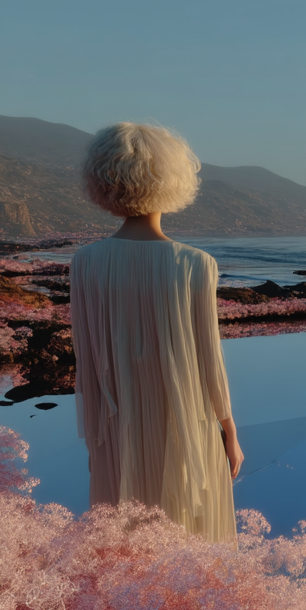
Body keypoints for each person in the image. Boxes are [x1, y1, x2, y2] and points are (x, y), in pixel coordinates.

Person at [70, 122, 243, 543]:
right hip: (185, 423)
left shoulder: (86, 263)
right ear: (173, 179)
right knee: (189, 538)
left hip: (116, 426)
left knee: (125, 544)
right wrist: (230, 432)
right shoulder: (195, 264)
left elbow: (86, 360)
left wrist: (95, 440)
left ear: (103, 180)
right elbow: (209, 359)